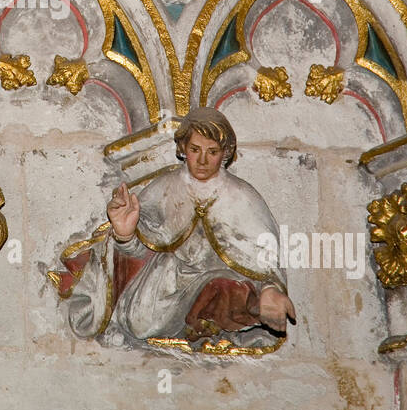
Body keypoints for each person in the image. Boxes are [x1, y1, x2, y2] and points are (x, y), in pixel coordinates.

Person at [51, 107, 295, 351]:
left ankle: (212, 322)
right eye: (194, 150)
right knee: (139, 324)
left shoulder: (243, 198)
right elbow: (138, 254)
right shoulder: (164, 189)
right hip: (167, 280)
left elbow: (265, 258)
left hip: (222, 283)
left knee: (226, 293)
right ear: (182, 149)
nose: (202, 161)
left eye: (212, 152)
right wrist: (125, 234)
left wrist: (271, 289)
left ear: (225, 153)